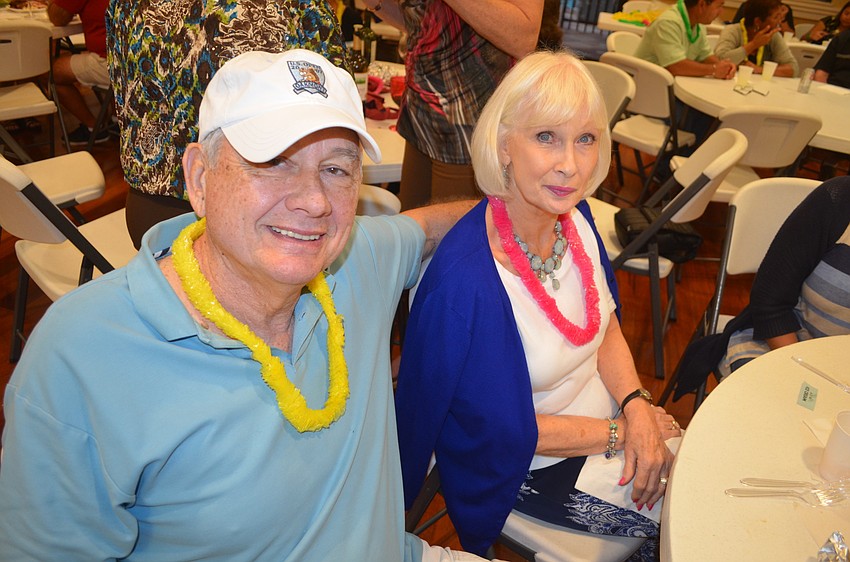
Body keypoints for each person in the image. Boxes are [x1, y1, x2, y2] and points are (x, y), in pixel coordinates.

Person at [0, 49, 487, 562]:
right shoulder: (82, 355)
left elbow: (429, 228)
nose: (315, 200)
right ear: (200, 178)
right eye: (273, 162)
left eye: (337, 169)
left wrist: (519, 202)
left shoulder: (353, 258)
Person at [395, 50, 682, 558]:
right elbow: (501, 429)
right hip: (517, 465)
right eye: (545, 137)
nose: (569, 165)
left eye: (585, 139)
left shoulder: (576, 220)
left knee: (693, 478)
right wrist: (620, 432)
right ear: (504, 146)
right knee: (679, 521)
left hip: (600, 421)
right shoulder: (467, 284)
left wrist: (637, 405)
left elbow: (607, 326)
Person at [106, 0, 350, 249]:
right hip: (253, 210)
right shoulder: (289, 6)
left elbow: (120, 86)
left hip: (148, 205)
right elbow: (333, 108)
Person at [672, 176, 850, 401]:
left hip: (842, 376)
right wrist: (805, 381)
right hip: (781, 345)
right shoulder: (838, 200)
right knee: (778, 419)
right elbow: (770, 301)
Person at [357, 0, 544, 210]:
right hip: (422, 114)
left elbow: (523, 39)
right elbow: (426, 26)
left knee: (454, 235)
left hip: (470, 124)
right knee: (414, 232)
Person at [47, 0, 112, 145]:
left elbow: (58, 17)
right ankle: (117, 119)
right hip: (149, 62)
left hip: (113, 64)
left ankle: (93, 128)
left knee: (52, 71)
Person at [634, 0, 736, 80]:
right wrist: (714, 69)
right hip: (649, 86)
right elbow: (676, 66)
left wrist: (724, 67)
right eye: (719, 6)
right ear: (702, 5)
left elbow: (705, 55)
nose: (721, 12)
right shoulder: (668, 23)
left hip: (671, 84)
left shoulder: (697, 24)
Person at [715, 0, 798, 77]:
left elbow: (793, 69)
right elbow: (719, 60)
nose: (779, 22)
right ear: (757, 21)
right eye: (776, 17)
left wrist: (760, 69)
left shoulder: (774, 36)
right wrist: (753, 44)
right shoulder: (732, 31)